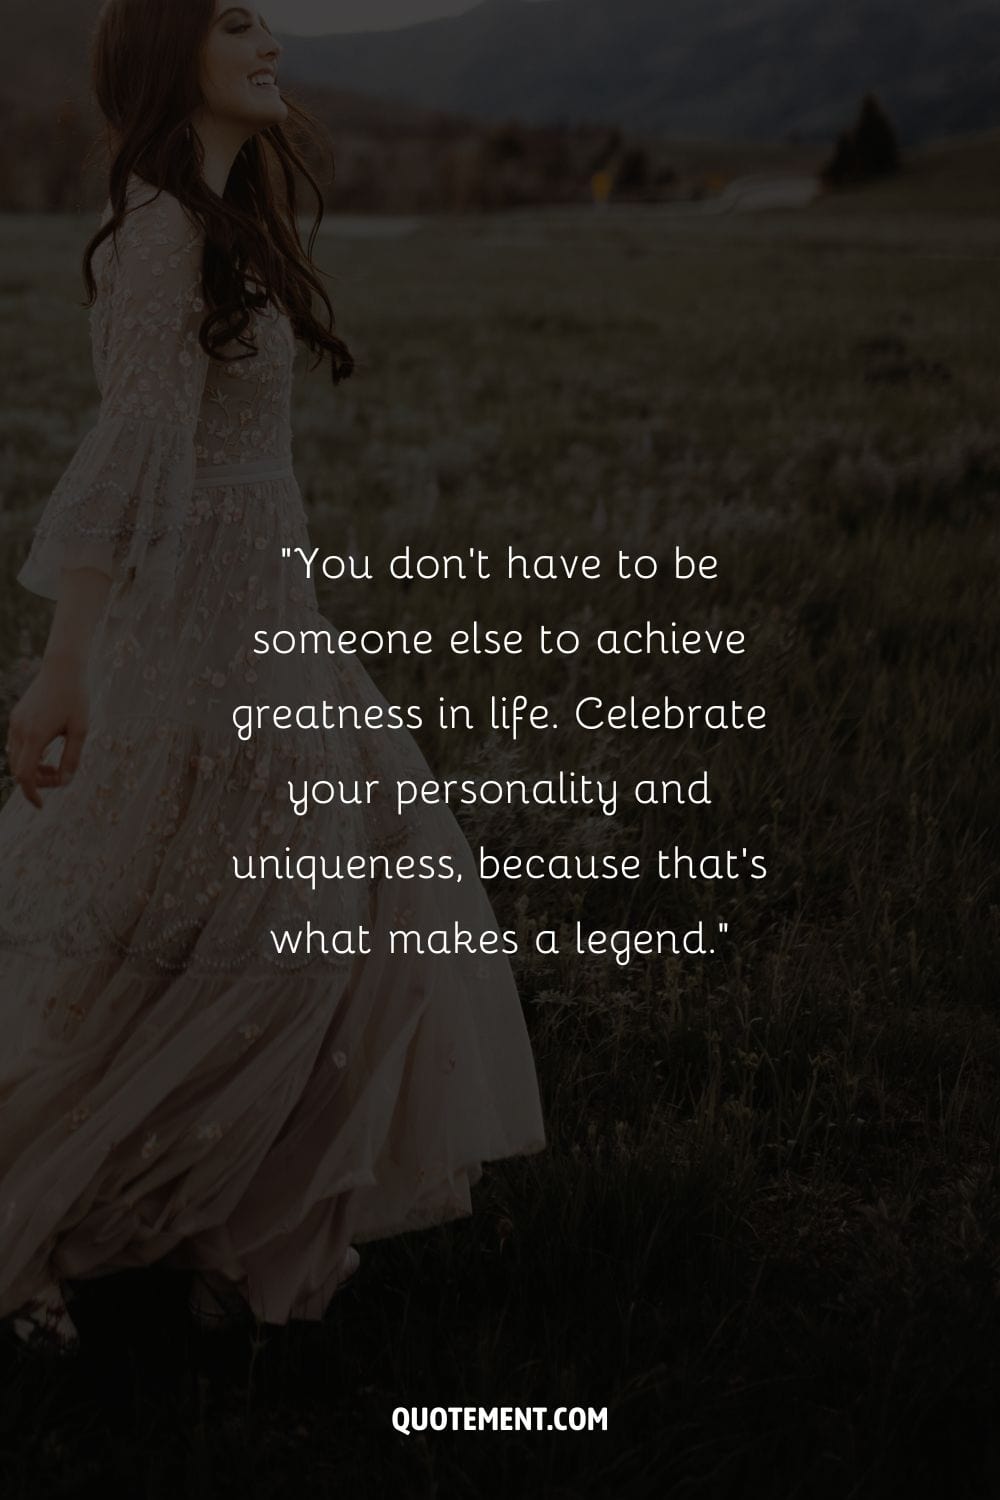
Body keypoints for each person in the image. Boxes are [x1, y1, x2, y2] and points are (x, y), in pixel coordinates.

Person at [0, 0, 545, 1354]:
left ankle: (224, 1224)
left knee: (302, 921)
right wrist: (68, 666)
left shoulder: (224, 217)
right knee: (219, 936)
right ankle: (45, 1220)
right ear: (165, 48)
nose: (271, 40)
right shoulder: (164, 230)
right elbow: (133, 449)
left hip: (268, 615)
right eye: (235, 19)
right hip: (204, 637)